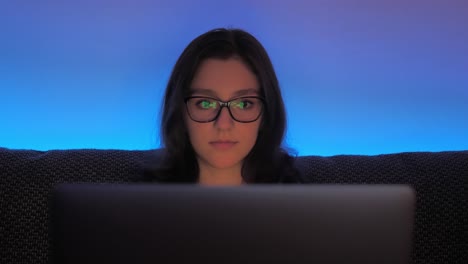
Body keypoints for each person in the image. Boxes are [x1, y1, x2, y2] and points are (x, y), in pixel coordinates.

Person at [146, 28, 300, 185]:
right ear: (180, 112)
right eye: (205, 103)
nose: (223, 124)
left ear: (266, 115)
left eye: (243, 104)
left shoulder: (301, 197)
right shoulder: (140, 200)